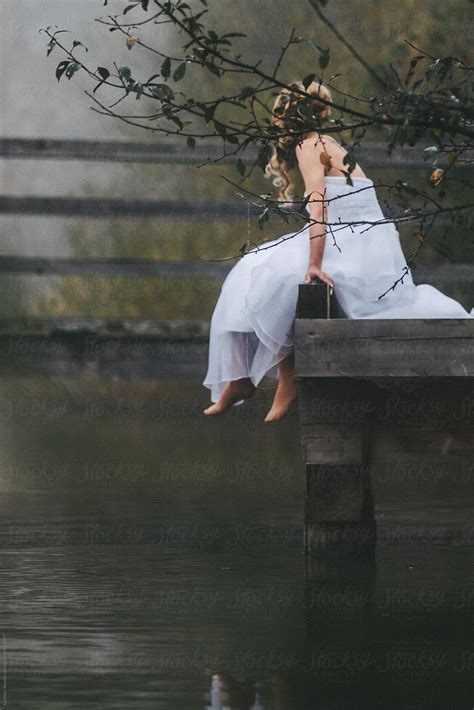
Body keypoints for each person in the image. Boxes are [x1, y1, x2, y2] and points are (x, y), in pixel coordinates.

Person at [202, 80, 473, 421]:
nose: (276, 125)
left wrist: (313, 263)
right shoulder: (325, 142)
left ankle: (287, 378)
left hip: (352, 241)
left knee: (275, 275)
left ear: (288, 119)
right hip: (366, 241)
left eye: (278, 117)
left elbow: (320, 207)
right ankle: (240, 378)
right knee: (250, 268)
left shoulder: (310, 145)